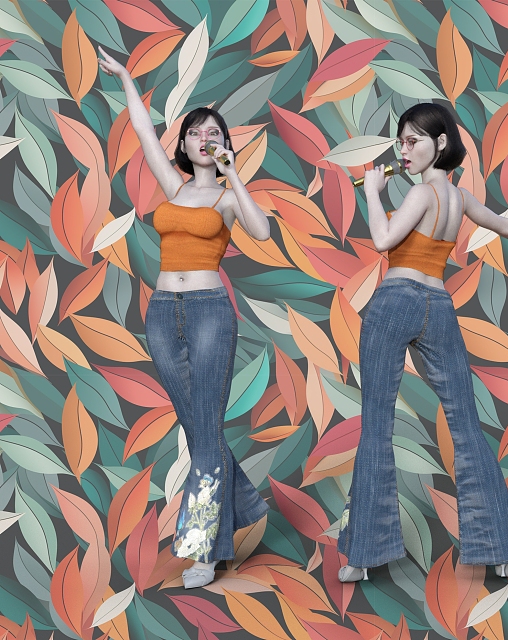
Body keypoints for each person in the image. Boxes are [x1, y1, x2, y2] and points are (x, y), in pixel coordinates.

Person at [337, 103, 508, 581]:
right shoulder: (459, 197)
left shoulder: (422, 193)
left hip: (396, 300)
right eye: (401, 142)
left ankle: (362, 555)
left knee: (377, 424)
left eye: (414, 141)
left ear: (441, 143)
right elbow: (503, 225)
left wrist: (371, 193)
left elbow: (383, 240)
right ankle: (501, 552)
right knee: (466, 425)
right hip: (439, 305)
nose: (404, 151)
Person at [98, 48, 271, 589]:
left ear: (224, 144)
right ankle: (243, 504)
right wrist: (127, 78)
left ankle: (203, 550)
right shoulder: (174, 188)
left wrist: (235, 177)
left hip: (209, 312)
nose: (203, 137)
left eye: (213, 132)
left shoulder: (225, 197)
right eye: (195, 132)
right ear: (186, 143)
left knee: (206, 428)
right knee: (199, 429)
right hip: (161, 313)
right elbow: (144, 133)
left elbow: (262, 232)